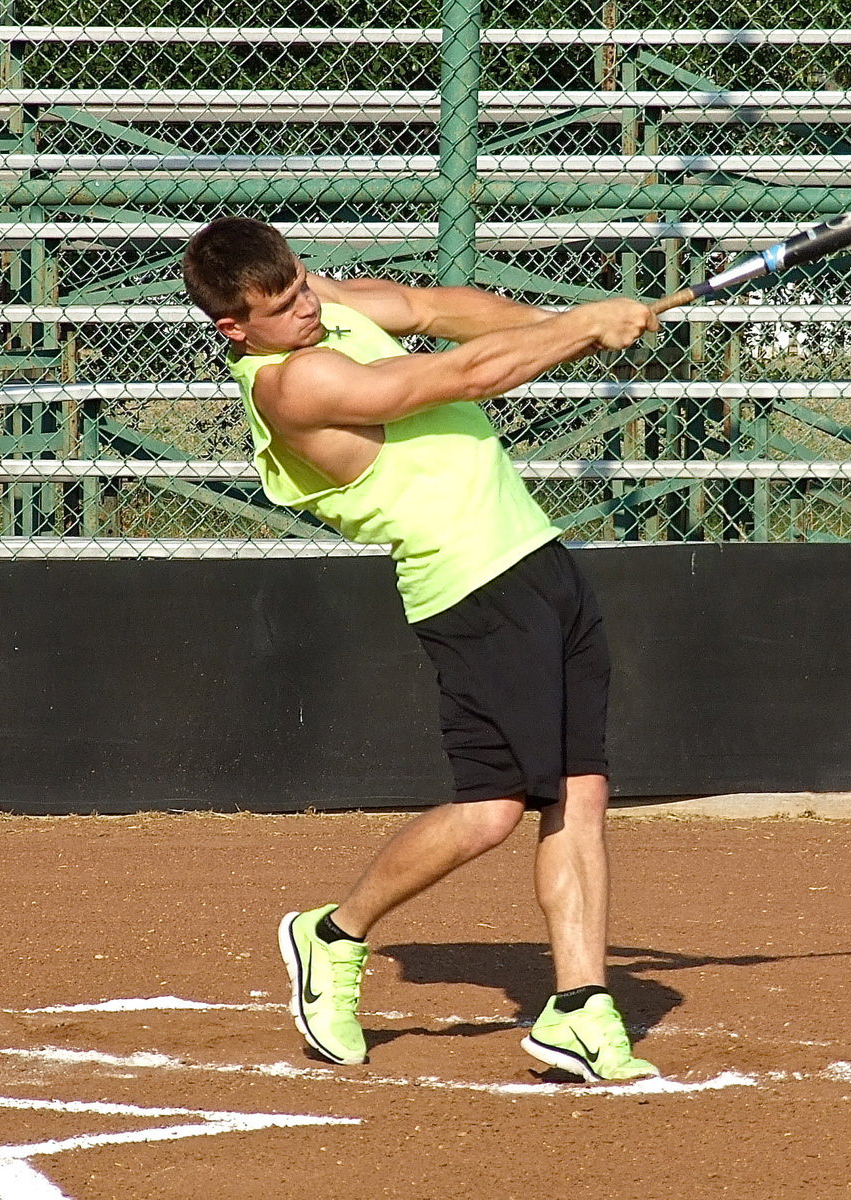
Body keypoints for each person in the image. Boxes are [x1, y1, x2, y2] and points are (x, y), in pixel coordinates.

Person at [181, 216, 661, 1082]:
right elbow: (460, 375)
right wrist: (580, 325)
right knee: (490, 813)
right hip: (470, 587)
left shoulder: (318, 307)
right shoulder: (293, 384)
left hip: (537, 558)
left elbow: (438, 310)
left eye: (301, 284)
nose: (307, 307)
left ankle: (582, 1007)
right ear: (235, 328)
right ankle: (331, 933)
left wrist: (560, 327)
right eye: (283, 305)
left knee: (582, 791)